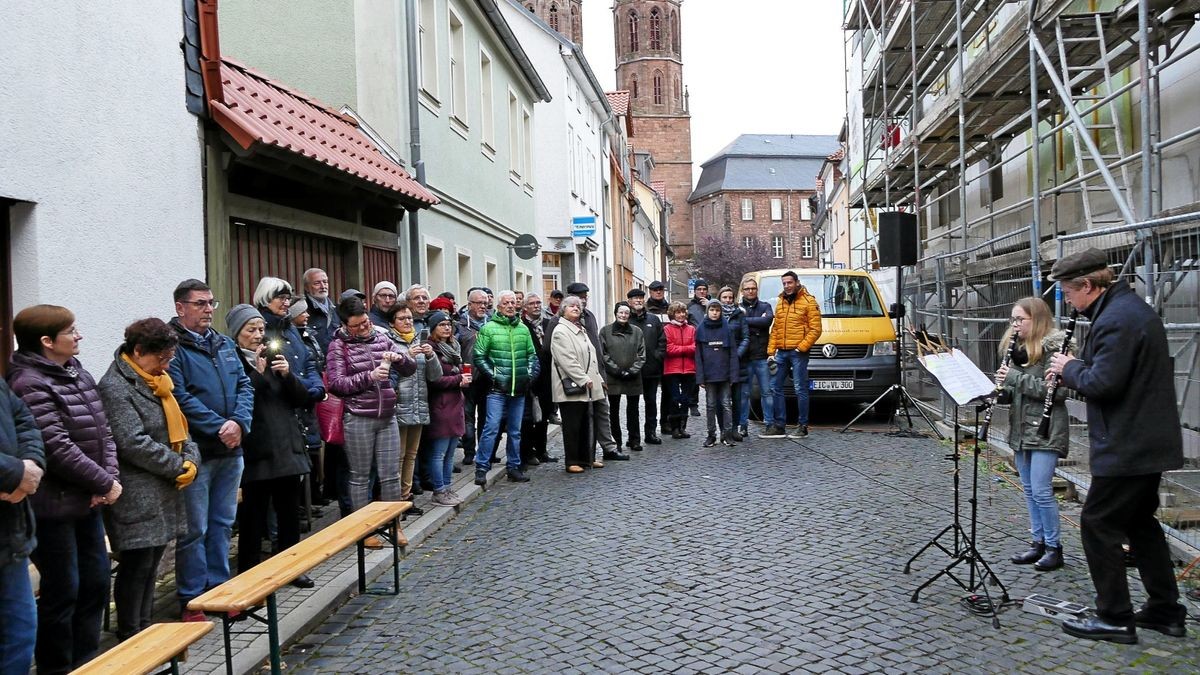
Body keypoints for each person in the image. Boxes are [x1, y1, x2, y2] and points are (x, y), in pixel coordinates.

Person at [1046, 249, 1187, 644]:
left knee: (1098, 522)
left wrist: (1067, 368)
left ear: (1088, 286)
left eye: (1068, 294)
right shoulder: (1127, 309)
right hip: (1145, 440)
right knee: (1140, 524)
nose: (1068, 303)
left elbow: (1103, 383)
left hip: (1129, 443)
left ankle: (1114, 617)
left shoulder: (1116, 320)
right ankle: (1165, 611)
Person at [8, 305, 120, 672]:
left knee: (96, 583)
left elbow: (103, 432)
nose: (79, 336)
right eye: (71, 331)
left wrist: (109, 479)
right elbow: (55, 446)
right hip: (53, 507)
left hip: (88, 500)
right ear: (46, 341)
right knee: (63, 591)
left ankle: (88, 660)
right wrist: (103, 481)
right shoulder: (28, 382)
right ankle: (58, 667)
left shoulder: (77, 373)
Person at [98, 319, 201, 641]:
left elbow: (181, 429)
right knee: (137, 564)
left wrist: (191, 459)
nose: (165, 366)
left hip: (163, 488)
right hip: (137, 490)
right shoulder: (116, 386)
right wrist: (177, 465)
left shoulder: (158, 382)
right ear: (139, 351)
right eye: (161, 359)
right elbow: (131, 442)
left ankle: (144, 625)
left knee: (153, 562)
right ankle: (132, 631)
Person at [168, 279, 254, 620]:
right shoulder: (173, 347)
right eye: (200, 303)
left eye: (211, 303)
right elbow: (179, 397)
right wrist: (219, 426)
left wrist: (239, 423)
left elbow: (245, 384)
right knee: (194, 528)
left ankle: (220, 589)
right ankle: (192, 597)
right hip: (198, 451)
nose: (207, 310)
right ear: (180, 308)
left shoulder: (222, 343)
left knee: (222, 523)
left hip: (231, 449)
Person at [225, 305, 314, 586]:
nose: (257, 335)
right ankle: (250, 573)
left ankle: (291, 567)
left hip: (286, 446)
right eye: (251, 330)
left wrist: (288, 375)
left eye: (261, 329)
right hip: (257, 450)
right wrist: (258, 376)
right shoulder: (232, 361)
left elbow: (301, 399)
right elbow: (239, 403)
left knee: (289, 514)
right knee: (253, 517)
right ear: (237, 333)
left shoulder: (275, 357)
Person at [994, 298, 1069, 573]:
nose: (1014, 326)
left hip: (1046, 429)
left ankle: (1054, 547)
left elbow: (1057, 392)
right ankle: (1037, 541)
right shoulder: (1018, 350)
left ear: (1036, 320)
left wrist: (1014, 378)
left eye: (1019, 320)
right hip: (1021, 428)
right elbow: (1017, 391)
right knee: (1028, 490)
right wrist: (1001, 391)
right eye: (1012, 320)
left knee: (1041, 490)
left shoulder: (1055, 349)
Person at [326, 296, 415, 515]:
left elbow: (410, 368)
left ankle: (393, 525)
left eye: (365, 322)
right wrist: (370, 376)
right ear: (345, 325)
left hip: (387, 416)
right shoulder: (338, 346)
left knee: (390, 475)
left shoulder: (382, 338)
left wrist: (400, 359)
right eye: (356, 326)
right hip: (358, 417)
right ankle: (364, 530)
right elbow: (337, 384)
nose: (363, 328)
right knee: (360, 476)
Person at [547, 283, 626, 461]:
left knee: (598, 414)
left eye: (583, 298)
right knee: (576, 422)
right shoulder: (557, 324)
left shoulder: (587, 318)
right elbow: (556, 353)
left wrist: (600, 375)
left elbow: (595, 349)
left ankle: (599, 452)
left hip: (593, 377)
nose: (581, 302)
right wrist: (581, 377)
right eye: (577, 299)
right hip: (573, 381)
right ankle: (576, 459)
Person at [0, 373, 45, 675]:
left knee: (20, 635)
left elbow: (25, 420)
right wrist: (13, 474)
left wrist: (30, 466)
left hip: (9, 538)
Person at [472, 290, 538, 484]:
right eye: (506, 303)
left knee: (516, 431)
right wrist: (494, 377)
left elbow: (532, 356)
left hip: (519, 389)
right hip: (497, 390)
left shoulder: (523, 329)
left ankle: (514, 467)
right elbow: (479, 357)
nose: (510, 305)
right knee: (491, 428)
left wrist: (529, 376)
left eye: (513, 302)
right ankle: (482, 467)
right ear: (499, 306)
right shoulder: (489, 328)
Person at [385, 300, 439, 517]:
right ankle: (395, 499)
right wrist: (407, 355)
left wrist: (430, 355)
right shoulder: (389, 342)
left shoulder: (419, 339)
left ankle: (407, 496)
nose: (407, 322)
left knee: (411, 454)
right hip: (399, 405)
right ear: (392, 323)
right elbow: (389, 374)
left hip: (418, 404)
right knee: (397, 456)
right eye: (402, 318)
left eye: (409, 318)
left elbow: (434, 376)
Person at [764, 270, 822, 438]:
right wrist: (771, 351)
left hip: (798, 353)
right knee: (775, 386)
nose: (787, 286)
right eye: (784, 283)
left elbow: (816, 329)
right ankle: (779, 425)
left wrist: (801, 347)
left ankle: (802, 426)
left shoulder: (809, 301)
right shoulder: (780, 301)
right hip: (781, 352)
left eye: (789, 283)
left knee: (800, 388)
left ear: (797, 282)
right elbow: (775, 329)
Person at [550, 296, 605, 473]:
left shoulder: (580, 329)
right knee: (573, 425)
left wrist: (599, 379)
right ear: (563, 310)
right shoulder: (560, 331)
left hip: (589, 385)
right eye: (571, 306)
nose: (576, 308)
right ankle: (572, 460)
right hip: (572, 386)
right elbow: (566, 360)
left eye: (578, 306)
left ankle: (588, 457)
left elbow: (592, 357)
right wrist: (583, 379)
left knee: (588, 423)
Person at [424, 311, 470, 507]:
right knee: (439, 453)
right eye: (441, 325)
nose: (446, 328)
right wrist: (459, 379)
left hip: (455, 404)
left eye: (448, 324)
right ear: (433, 329)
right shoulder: (432, 350)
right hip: (441, 405)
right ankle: (439, 490)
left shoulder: (453, 347)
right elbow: (434, 380)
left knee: (451, 452)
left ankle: (448, 487)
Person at [291, 299, 327, 509]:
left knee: (314, 451)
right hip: (302, 400)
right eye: (302, 312)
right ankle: (303, 503)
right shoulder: (292, 337)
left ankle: (311, 497)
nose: (307, 315)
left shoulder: (306, 335)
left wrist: (316, 386)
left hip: (312, 396)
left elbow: (313, 363)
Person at [600, 302, 646, 452]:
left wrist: (632, 370)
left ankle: (634, 440)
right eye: (620, 312)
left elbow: (641, 354)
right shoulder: (605, 332)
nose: (623, 315)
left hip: (633, 376)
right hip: (614, 377)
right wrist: (616, 370)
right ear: (615, 313)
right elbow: (603, 354)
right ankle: (616, 441)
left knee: (633, 410)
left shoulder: (637, 331)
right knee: (613, 410)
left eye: (626, 313)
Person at [695, 299, 741, 447]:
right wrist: (700, 377)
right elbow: (698, 356)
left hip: (725, 375)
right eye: (712, 310)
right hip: (709, 376)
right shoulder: (701, 329)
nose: (714, 313)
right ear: (707, 311)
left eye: (717, 310)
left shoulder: (727, 329)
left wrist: (734, 375)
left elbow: (733, 354)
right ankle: (711, 435)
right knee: (710, 405)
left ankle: (727, 435)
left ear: (721, 312)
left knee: (727, 405)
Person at [519, 294, 557, 466]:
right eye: (532, 303)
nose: (536, 306)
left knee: (545, 416)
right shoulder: (522, 326)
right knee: (529, 419)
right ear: (525, 307)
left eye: (538, 303)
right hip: (530, 378)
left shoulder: (547, 324)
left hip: (547, 377)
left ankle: (542, 450)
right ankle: (528, 452)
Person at [627, 288, 666, 445]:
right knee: (632, 405)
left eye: (640, 298)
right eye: (635, 298)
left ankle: (650, 433)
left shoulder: (653, 319)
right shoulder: (626, 319)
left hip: (651, 369)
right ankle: (633, 437)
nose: (638, 301)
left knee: (651, 402)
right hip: (633, 371)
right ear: (629, 301)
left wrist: (658, 356)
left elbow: (662, 340)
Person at [737, 277, 774, 437]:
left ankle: (769, 424)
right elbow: (738, 326)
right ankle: (742, 425)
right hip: (745, 358)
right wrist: (756, 322)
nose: (750, 291)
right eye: (747, 289)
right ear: (742, 291)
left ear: (756, 290)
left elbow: (767, 321)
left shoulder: (766, 306)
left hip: (761, 356)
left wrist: (745, 321)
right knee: (744, 394)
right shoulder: (737, 309)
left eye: (753, 288)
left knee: (767, 392)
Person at [457, 289, 490, 467]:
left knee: (486, 418)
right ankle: (469, 452)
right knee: (468, 416)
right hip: (468, 379)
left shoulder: (492, 323)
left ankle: (486, 452)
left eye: (485, 303)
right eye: (479, 303)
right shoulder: (460, 325)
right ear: (469, 304)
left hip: (488, 378)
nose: (483, 306)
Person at [716, 287, 750, 441]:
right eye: (725, 297)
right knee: (720, 399)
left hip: (737, 362)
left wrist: (737, 355)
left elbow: (746, 337)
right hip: (719, 362)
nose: (728, 300)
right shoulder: (714, 315)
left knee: (736, 397)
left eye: (730, 297)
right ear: (720, 298)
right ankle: (723, 429)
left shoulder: (739, 315)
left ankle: (735, 427)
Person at [661, 302, 698, 440]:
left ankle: (683, 427)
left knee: (686, 399)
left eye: (683, 312)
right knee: (675, 399)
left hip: (689, 369)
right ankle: (675, 427)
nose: (681, 315)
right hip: (672, 369)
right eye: (678, 312)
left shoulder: (691, 329)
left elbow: (696, 347)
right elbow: (669, 349)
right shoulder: (667, 329)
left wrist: (681, 348)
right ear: (673, 314)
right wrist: (686, 348)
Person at [685, 280, 709, 417]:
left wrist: (709, 306)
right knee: (694, 375)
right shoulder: (690, 307)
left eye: (704, 289)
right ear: (694, 291)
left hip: (711, 343)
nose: (701, 291)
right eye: (699, 289)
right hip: (696, 343)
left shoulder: (713, 304)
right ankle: (693, 404)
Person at [302, 267, 340, 352]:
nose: (323, 286)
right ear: (306, 287)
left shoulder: (337, 310)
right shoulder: (303, 311)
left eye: (325, 282)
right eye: (317, 283)